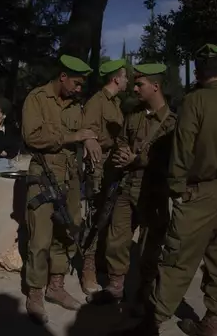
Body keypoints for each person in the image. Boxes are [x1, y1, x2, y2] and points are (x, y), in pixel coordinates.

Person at [124, 44, 217, 336]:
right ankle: (212, 321)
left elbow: (182, 149)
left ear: (198, 72)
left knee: (177, 258)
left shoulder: (195, 101)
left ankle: (151, 324)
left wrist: (177, 189)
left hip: (200, 193)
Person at [21, 54, 97, 324]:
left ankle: (56, 285)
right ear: (63, 77)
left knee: (68, 230)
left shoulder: (77, 105)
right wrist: (72, 137)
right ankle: (35, 292)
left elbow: (87, 130)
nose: (79, 89)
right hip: (43, 173)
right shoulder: (37, 99)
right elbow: (32, 136)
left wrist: (89, 141)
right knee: (40, 236)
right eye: (76, 83)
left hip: (71, 175)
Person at [96, 63, 176, 310]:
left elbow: (172, 160)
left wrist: (138, 160)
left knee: (150, 245)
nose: (135, 88)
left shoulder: (173, 122)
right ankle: (116, 286)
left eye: (140, 84)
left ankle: (145, 290)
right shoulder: (135, 115)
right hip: (127, 186)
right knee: (117, 239)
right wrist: (121, 152)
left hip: (153, 191)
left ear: (156, 86)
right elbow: (122, 139)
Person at [79, 58, 128, 295]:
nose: (127, 80)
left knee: (108, 217)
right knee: (95, 217)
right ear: (116, 78)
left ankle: (99, 261)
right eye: (125, 76)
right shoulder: (96, 102)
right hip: (98, 167)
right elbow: (87, 134)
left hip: (113, 166)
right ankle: (87, 267)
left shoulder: (116, 102)